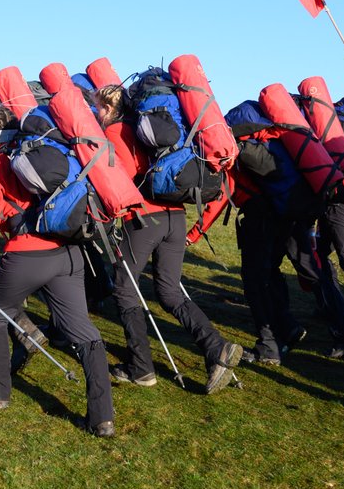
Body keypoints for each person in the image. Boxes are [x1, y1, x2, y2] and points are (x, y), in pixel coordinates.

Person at [0, 106, 115, 437]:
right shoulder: (48, 152)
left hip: (26, 255)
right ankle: (102, 417)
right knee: (84, 332)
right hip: (68, 251)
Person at [94, 85, 243, 393]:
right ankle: (216, 348)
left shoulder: (114, 133)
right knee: (170, 291)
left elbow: (126, 175)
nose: (96, 114)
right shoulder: (151, 129)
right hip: (175, 216)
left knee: (124, 289)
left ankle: (141, 367)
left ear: (108, 109)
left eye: (98, 108)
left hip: (145, 218)